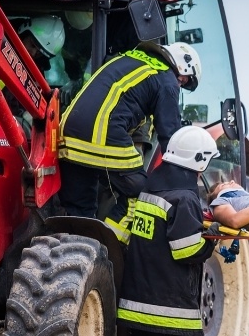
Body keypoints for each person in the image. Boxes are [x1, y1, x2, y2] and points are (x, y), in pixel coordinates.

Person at [116, 125, 219, 336]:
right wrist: (212, 239)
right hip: (171, 309)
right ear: (199, 162)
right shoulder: (185, 199)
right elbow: (186, 250)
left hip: (136, 305)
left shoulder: (151, 191)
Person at [57, 40, 202, 240]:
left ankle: (77, 249)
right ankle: (108, 249)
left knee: (80, 207)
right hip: (103, 134)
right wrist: (182, 177)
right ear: (181, 64)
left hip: (68, 133)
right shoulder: (166, 79)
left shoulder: (126, 58)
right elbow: (170, 135)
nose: (181, 84)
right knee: (141, 195)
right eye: (185, 80)